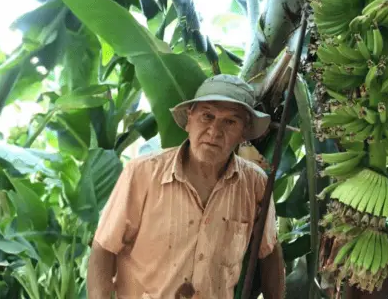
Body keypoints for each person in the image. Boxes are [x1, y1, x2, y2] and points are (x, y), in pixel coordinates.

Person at [87, 74, 285, 299]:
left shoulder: (255, 183)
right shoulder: (142, 173)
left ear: (243, 132)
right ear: (189, 119)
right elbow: (103, 248)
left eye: (230, 121)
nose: (214, 131)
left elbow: (269, 251)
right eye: (207, 116)